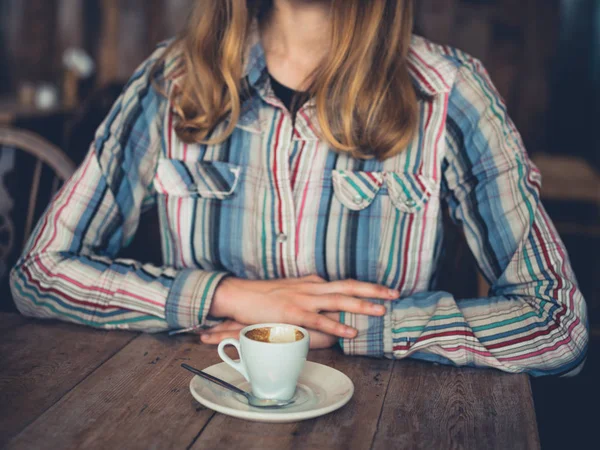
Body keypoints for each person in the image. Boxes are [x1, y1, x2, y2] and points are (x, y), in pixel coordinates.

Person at [10, 0, 588, 376]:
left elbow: (557, 325)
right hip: (191, 410)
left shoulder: (449, 92)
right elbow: (39, 274)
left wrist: (352, 328)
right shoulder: (173, 81)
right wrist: (230, 295)